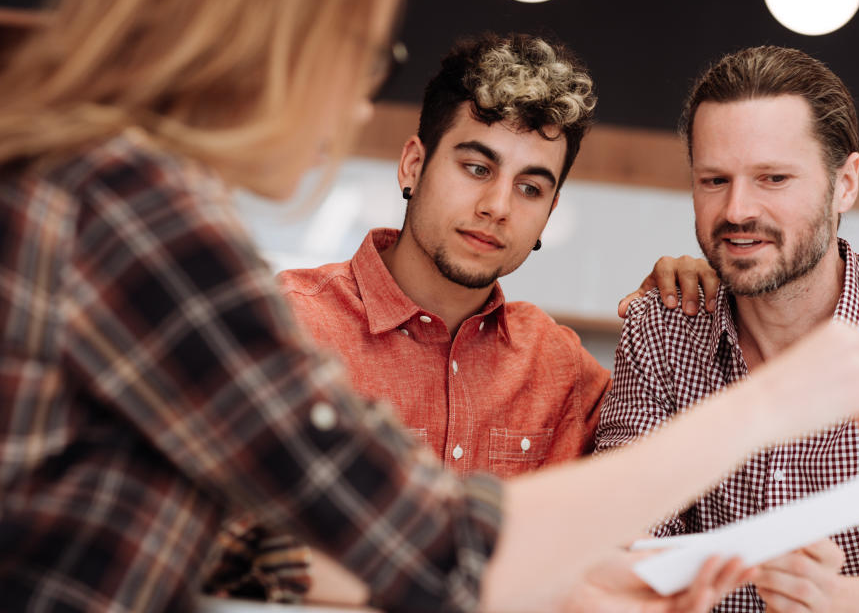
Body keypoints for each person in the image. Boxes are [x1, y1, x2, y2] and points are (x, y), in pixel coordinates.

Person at [0, 0, 859, 609]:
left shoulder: (74, 194)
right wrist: (772, 402)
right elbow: (428, 544)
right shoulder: (136, 218)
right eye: (362, 56)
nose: (354, 103)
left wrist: (576, 586)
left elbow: (248, 552)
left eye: (534, 185)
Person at [205, 32, 721, 603]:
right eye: (477, 167)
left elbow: (641, 511)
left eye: (530, 188)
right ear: (413, 164)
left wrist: (683, 311)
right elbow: (213, 542)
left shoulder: (561, 368)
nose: (498, 206)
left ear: (548, 214)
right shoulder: (284, 324)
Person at [595, 45, 859, 612]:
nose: (738, 209)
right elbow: (616, 541)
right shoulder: (661, 331)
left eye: (773, 178)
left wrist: (838, 600)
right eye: (715, 180)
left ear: (845, 184)